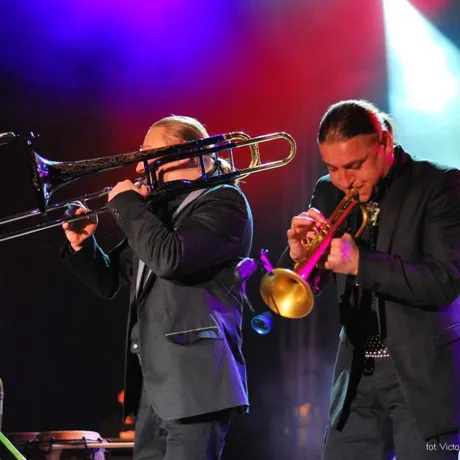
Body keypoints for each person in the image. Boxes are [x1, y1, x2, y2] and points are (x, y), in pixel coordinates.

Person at [61, 115, 253, 460]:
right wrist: (83, 245)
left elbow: (171, 258)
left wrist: (128, 205)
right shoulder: (160, 210)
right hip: (155, 384)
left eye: (147, 153)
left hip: (198, 383)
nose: (138, 165)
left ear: (183, 154)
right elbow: (109, 281)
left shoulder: (224, 201)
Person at [279, 100, 460, 459]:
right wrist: (298, 256)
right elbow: (308, 278)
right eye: (332, 168)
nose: (344, 181)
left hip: (422, 375)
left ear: (385, 141)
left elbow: (445, 281)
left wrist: (363, 264)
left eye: (355, 166)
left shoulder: (440, 185)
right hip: (356, 374)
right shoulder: (327, 190)